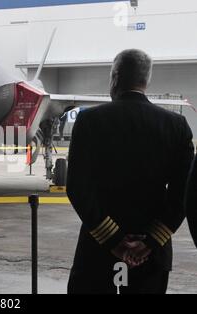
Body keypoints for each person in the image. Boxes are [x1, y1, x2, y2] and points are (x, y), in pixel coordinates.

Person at [66, 49, 194, 294]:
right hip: (150, 255)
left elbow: (78, 188)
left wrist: (114, 241)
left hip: (98, 251)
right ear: (146, 80)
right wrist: (151, 242)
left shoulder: (90, 121)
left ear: (115, 77)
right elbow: (183, 194)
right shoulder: (176, 126)